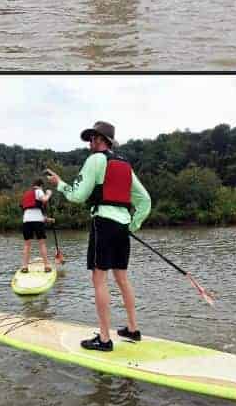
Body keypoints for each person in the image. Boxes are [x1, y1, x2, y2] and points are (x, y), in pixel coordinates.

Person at [46, 120, 151, 352]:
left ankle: (104, 339)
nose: (89, 143)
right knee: (122, 278)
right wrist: (132, 226)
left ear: (101, 140)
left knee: (99, 280)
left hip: (103, 224)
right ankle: (133, 329)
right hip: (122, 227)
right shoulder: (126, 166)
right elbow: (145, 201)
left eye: (92, 139)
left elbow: (77, 195)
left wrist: (60, 184)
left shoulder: (95, 160)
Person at [19, 178, 53, 273]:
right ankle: (46, 266)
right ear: (40, 185)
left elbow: (31, 210)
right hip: (37, 221)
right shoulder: (38, 191)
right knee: (42, 243)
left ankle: (25, 266)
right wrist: (49, 193)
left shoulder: (26, 194)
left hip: (26, 221)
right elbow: (45, 199)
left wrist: (47, 219)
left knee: (27, 245)